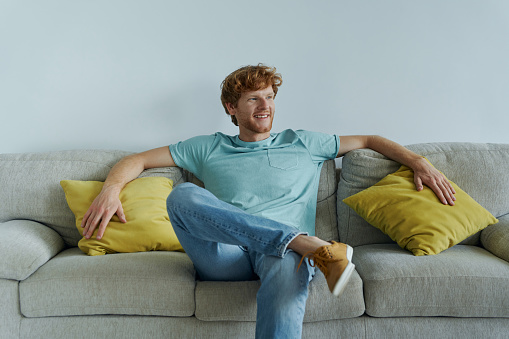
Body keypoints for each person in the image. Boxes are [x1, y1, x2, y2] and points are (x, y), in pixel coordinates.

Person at [81, 64, 456, 338]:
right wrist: (111, 189)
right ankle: (308, 245)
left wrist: (420, 163)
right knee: (182, 195)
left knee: (284, 258)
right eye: (253, 99)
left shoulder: (304, 142)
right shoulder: (209, 146)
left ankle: (297, 245)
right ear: (232, 108)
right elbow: (139, 160)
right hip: (224, 254)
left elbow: (371, 140)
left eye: (270, 97)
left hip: (281, 257)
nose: (265, 106)